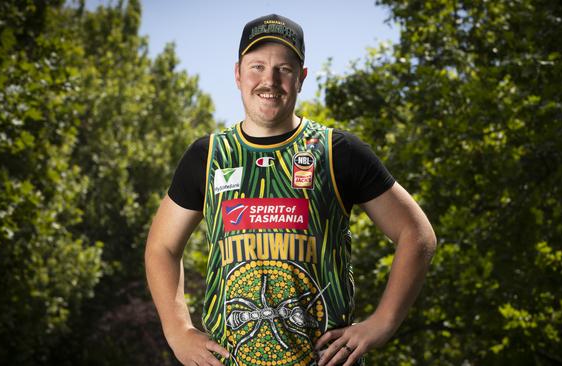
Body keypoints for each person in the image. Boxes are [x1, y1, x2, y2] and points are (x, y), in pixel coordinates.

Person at [145, 14, 436, 366]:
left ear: (301, 78)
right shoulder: (207, 156)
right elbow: (161, 247)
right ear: (238, 74)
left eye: (283, 69)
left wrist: (382, 323)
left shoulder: (336, 151)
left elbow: (417, 234)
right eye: (257, 67)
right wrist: (178, 332)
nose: (269, 80)